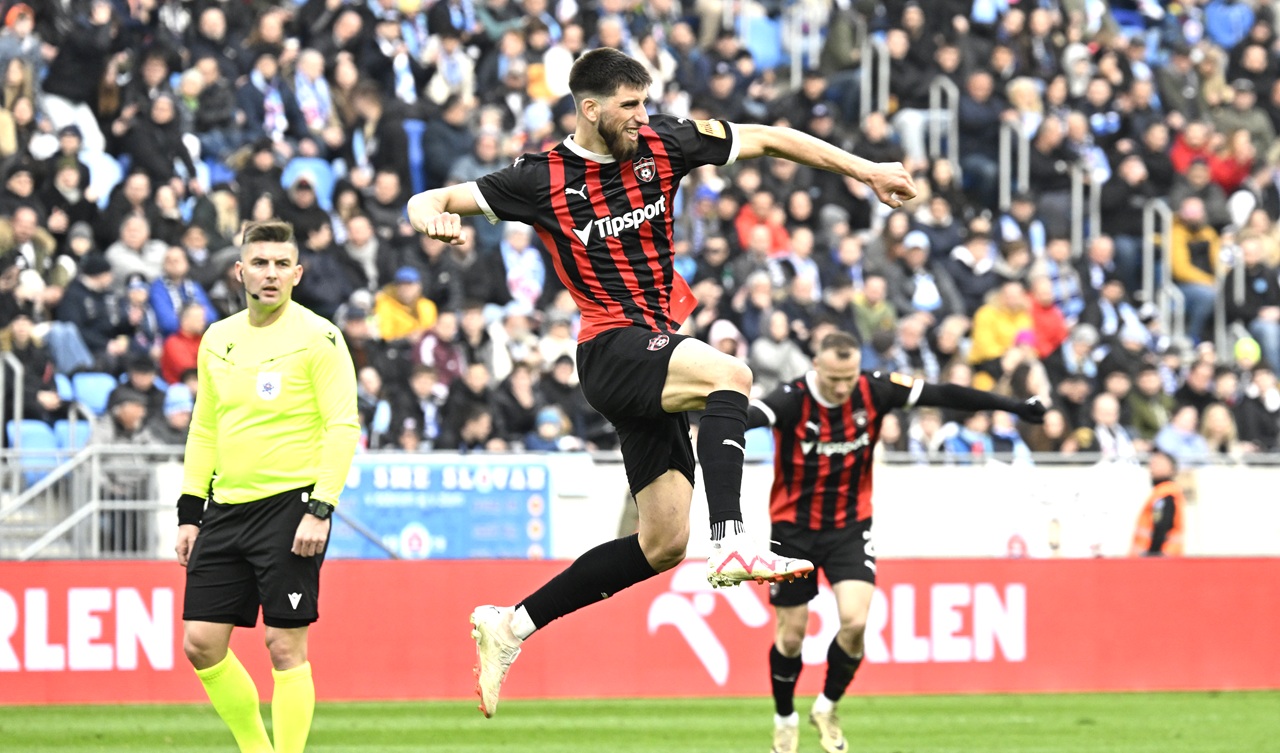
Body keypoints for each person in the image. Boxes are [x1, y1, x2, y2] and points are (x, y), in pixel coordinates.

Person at [405, 46, 916, 717]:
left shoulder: (663, 142)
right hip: (610, 348)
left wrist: (866, 169)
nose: (643, 116)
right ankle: (734, 540)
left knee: (663, 543)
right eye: (629, 105)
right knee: (731, 373)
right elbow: (428, 197)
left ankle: (511, 625)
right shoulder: (541, 178)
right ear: (590, 110)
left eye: (646, 102)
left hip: (654, 351)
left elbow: (767, 138)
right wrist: (431, 217)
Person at [748, 331, 1045, 753]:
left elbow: (944, 393)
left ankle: (827, 706)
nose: (842, 387)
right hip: (792, 529)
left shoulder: (875, 388)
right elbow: (747, 415)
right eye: (833, 378)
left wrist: (1012, 406)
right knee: (792, 635)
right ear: (817, 367)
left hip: (850, 525)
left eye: (848, 377)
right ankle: (784, 717)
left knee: (854, 622)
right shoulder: (791, 399)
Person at [173, 220, 359, 753]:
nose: (270, 274)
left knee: (284, 646)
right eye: (260, 263)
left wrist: (320, 509)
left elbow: (343, 427)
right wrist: (190, 511)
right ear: (241, 271)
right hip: (225, 509)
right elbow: (204, 427)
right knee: (201, 645)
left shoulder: (319, 337)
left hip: (291, 508)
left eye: (281, 265)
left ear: (297, 273)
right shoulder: (218, 338)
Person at [1129, 450, 1186, 557]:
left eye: (1158, 463)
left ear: (1171, 469)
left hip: (1159, 559)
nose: (1152, 466)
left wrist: (1152, 554)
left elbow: (1161, 526)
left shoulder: (1166, 494)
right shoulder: (1162, 492)